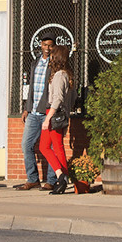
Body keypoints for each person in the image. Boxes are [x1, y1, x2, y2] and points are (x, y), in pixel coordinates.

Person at [18, 32, 58, 191]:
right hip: (33, 113)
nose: (47, 48)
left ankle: (51, 180)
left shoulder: (54, 64)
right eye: (45, 45)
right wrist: (27, 108)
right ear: (40, 45)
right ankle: (33, 178)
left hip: (47, 112)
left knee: (50, 147)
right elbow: (32, 87)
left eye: (50, 45)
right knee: (26, 145)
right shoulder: (35, 63)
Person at [37, 45, 73, 195]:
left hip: (53, 112)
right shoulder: (64, 74)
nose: (50, 57)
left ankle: (61, 176)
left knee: (49, 147)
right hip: (56, 112)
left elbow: (58, 99)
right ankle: (61, 177)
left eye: (52, 55)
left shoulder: (59, 75)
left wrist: (48, 118)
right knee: (52, 146)